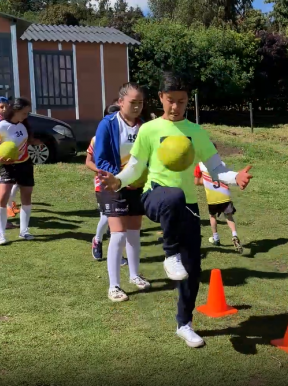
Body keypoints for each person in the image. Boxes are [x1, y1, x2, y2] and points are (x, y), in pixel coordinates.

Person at [99, 71, 253, 348]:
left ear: (187, 102)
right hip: (154, 196)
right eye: (170, 100)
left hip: (187, 207)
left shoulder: (196, 132)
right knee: (173, 195)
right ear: (160, 98)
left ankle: (184, 324)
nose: (175, 107)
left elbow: (216, 167)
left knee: (192, 269)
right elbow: (135, 167)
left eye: (181, 102)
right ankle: (169, 254)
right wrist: (118, 180)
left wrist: (234, 177)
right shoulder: (149, 129)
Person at [93, 83, 151, 302]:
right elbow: (100, 159)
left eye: (140, 103)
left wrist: (141, 179)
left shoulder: (145, 127)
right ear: (120, 102)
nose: (137, 107)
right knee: (118, 234)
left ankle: (135, 275)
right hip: (112, 186)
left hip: (137, 187)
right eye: (132, 102)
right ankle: (114, 286)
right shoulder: (107, 124)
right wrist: (120, 179)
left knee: (134, 232)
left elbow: (148, 159)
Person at [0, 97, 38, 245]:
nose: (26, 115)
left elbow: (25, 141)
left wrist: (37, 142)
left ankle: (24, 231)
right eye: (24, 112)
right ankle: (1, 235)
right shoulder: (2, 127)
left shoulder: (23, 125)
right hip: (8, 166)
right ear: (16, 111)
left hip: (25, 164)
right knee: (3, 198)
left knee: (26, 197)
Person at [86, 104, 127, 266]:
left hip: (123, 181)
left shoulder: (126, 136)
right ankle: (97, 240)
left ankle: (118, 254)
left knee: (120, 219)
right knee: (107, 216)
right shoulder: (97, 138)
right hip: (103, 183)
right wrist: (101, 170)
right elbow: (88, 162)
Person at [194, 144, 243, 253]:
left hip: (212, 197)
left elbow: (196, 182)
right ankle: (234, 234)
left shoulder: (200, 166)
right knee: (229, 216)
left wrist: (206, 181)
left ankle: (216, 238)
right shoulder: (222, 164)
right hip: (224, 194)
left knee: (212, 216)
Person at [0, 96, 20, 218]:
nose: (4, 109)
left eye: (7, 106)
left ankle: (10, 203)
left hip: (13, 153)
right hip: (1, 155)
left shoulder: (13, 119)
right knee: (7, 181)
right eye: (1, 107)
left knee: (17, 181)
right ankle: (7, 206)